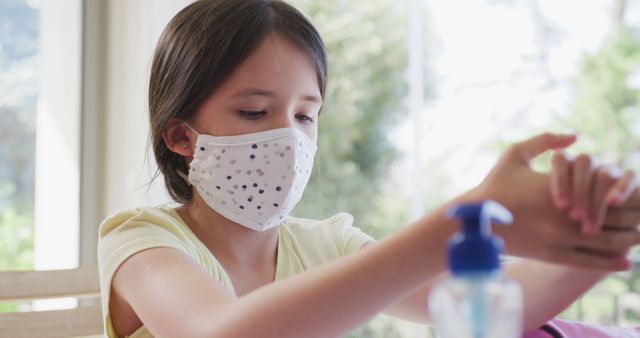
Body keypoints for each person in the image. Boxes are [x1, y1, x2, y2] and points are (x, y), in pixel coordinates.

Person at [97, 0, 640, 337]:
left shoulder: (327, 244)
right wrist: (458, 222)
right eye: (255, 112)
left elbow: (493, 307)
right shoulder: (142, 242)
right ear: (180, 136)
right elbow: (224, 335)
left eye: (306, 115)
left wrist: (600, 238)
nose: (287, 137)